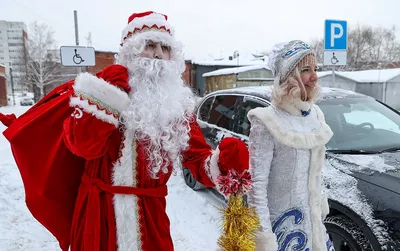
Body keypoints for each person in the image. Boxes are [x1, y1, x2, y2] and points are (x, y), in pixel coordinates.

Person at [0, 11, 249, 251]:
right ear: (130, 51)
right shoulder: (102, 91)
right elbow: (82, 145)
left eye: (165, 48)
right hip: (98, 216)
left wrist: (221, 163)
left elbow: (197, 161)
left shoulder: (177, 105)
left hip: (151, 219)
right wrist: (107, 96)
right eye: (150, 45)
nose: (158, 55)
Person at [246, 40, 335, 251]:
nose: (314, 76)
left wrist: (320, 203)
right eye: (305, 70)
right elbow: (256, 186)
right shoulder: (266, 120)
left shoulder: (316, 115)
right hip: (283, 232)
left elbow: (315, 174)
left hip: (315, 228)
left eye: (315, 69)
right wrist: (264, 239)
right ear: (289, 76)